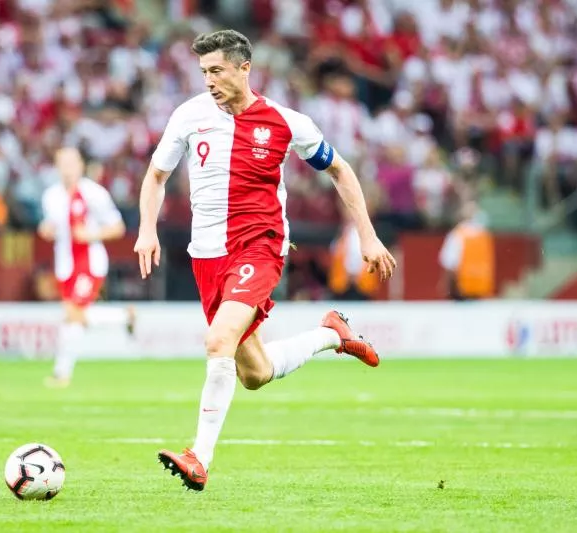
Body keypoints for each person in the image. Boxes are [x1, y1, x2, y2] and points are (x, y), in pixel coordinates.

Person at [134, 30, 397, 492]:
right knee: (253, 373)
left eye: (216, 70)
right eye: (203, 73)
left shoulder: (285, 121)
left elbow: (340, 170)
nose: (209, 81)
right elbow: (156, 177)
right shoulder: (189, 116)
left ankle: (199, 457)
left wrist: (368, 237)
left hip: (260, 246)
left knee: (217, 341)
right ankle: (331, 334)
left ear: (244, 68)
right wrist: (147, 229)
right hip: (207, 256)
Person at [39, 147, 135, 388]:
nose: (67, 168)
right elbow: (51, 225)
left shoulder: (95, 194)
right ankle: (123, 317)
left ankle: (62, 374)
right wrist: (46, 229)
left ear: (81, 165)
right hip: (64, 265)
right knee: (73, 319)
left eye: (71, 163)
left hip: (89, 263)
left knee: (73, 315)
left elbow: (117, 227)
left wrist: (91, 235)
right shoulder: (51, 196)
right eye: (62, 163)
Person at [438, 200, 495, 301]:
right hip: (482, 291)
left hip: (462, 291)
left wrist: (446, 288)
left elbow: (450, 264)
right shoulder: (484, 236)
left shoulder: (457, 235)